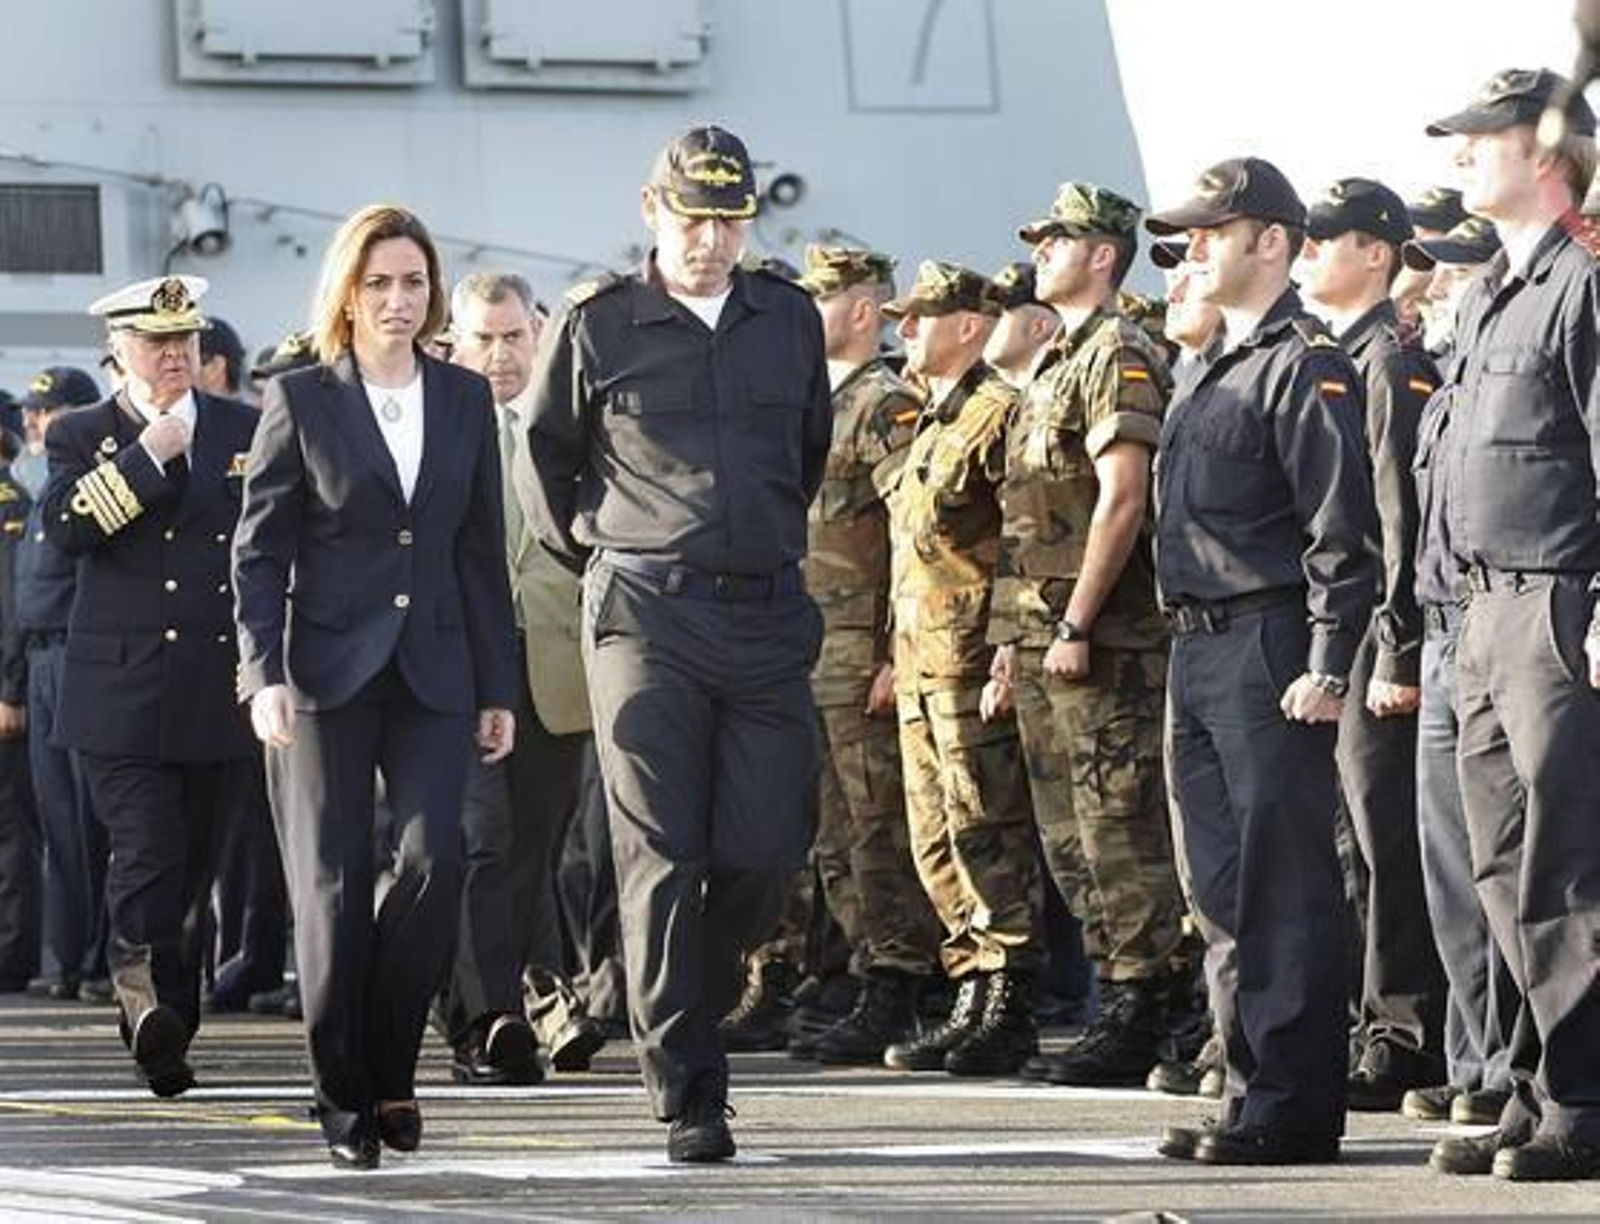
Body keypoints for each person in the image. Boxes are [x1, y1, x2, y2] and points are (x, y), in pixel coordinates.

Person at [524, 125, 830, 1164]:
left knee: (763, 853)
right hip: (647, 615)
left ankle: (661, 991)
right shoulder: (599, 324)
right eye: (693, 217)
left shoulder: (786, 318)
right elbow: (544, 458)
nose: (710, 240)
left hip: (765, 613)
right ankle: (690, 1091)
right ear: (650, 210)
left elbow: (806, 454)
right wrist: (609, 556)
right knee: (661, 853)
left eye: (729, 219)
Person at [233, 204, 518, 1170]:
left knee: (436, 862)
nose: (399, 300)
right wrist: (261, 673)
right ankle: (343, 1094)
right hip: (322, 673)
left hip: (436, 667)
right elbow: (259, 551)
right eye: (380, 283)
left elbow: (482, 553)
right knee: (333, 883)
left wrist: (498, 689)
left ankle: (392, 1065)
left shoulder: (466, 398)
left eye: (413, 282)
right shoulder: (301, 398)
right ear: (347, 293)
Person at [1144, 157, 1378, 1165]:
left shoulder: (1301, 362)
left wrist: (1327, 658)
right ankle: (1248, 1089)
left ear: (1269, 241)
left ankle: (1291, 1105)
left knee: (1283, 883)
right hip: (1195, 648)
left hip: (1268, 642)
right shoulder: (1212, 364)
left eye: (1212, 230)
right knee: (1222, 889)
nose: (1194, 248)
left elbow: (1340, 526)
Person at [1422, 68, 1600, 1183]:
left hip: (1554, 598)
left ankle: (1583, 1095)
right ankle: (1535, 1083)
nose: (1459, 159)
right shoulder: (1493, 290)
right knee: (1498, 862)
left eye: (1478, 141)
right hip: (1479, 608)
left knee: (1568, 863)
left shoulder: (1584, 284)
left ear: (1543, 155)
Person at [988, 183, 1189, 1089]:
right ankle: (1119, 993)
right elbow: (1028, 518)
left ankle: (1152, 1003)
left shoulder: (1118, 351)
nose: (1041, 250)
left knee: (1119, 827)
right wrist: (1012, 642)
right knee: (1070, 835)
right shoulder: (1054, 362)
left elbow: (1124, 498)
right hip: (1041, 641)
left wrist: (1076, 621)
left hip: (1104, 641)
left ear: (1103, 253)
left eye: (1057, 237)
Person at [39, 275, 260, 1095]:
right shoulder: (80, 433)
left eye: (186, 341)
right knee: (145, 853)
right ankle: (143, 1004)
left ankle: (174, 1014)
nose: (174, 355)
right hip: (119, 691)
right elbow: (66, 530)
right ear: (118, 352)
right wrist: (147, 457)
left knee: (195, 865)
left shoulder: (244, 426)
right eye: (156, 343)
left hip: (213, 685)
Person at [1297, 177, 1448, 1110]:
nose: (1310, 252)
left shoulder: (1388, 359)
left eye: (1328, 239)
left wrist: (1397, 648)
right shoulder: (1339, 354)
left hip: (1374, 627)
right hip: (1342, 624)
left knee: (1384, 835)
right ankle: (1369, 1019)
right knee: (1349, 840)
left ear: (1377, 254)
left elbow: (1398, 514)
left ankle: (1404, 1030)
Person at [873, 260, 1044, 1079]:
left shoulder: (995, 414)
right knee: (933, 832)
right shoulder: (932, 421)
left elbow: (1022, 537)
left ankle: (1007, 995)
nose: (905, 330)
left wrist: (1010, 647)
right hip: (919, 657)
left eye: (920, 318)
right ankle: (969, 982)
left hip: (971, 655)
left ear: (968, 325)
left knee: (986, 824)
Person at [440, 269, 605, 1084]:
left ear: (538, 336)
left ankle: (527, 1002)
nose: (499, 355)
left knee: (535, 847)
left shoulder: (570, 426)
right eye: (482, 338)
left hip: (551, 668)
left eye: (513, 337)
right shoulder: (429, 426)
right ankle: (486, 1022)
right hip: (456, 667)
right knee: (480, 841)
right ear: (454, 343)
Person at [789, 243, 942, 1065]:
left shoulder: (885, 404)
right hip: (812, 649)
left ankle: (900, 978)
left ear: (858, 309)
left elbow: (913, 536)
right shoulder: (817, 400)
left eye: (821, 298)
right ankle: (859, 964)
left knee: (878, 823)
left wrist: (893, 649)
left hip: (862, 650)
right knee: (834, 829)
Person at [1394, 215, 1523, 1132]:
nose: (1434, 285)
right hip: (1444, 633)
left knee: (1509, 869)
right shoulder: (1449, 387)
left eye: (1450, 270)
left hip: (1491, 626)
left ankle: (1516, 1066)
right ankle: (1474, 1057)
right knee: (1455, 874)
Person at [14, 367, 107, 1003]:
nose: (35, 424)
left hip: (82, 658)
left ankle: (101, 959)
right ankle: (62, 957)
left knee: (90, 820)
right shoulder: (43, 491)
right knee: (55, 822)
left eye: (47, 412)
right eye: (31, 413)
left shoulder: (87, 491)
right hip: (43, 661)